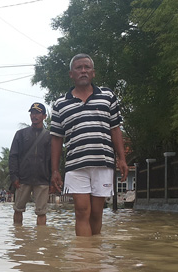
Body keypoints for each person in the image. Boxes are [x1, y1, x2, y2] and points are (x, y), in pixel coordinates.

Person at [50, 53, 128, 236]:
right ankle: (84, 259)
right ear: (71, 74)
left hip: (103, 161)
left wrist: (122, 159)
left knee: (96, 213)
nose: (83, 71)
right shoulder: (60, 104)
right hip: (76, 165)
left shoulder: (108, 96)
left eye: (87, 67)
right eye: (78, 68)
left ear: (93, 72)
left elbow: (116, 129)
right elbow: (56, 139)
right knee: (81, 211)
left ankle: (95, 254)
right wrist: (55, 170)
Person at [9, 102, 51, 226]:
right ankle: (18, 235)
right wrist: (14, 177)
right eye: (32, 113)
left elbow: (53, 159)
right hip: (22, 179)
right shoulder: (20, 134)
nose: (34, 115)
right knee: (18, 209)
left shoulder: (49, 136)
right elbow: (13, 156)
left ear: (44, 116)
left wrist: (52, 179)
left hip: (42, 179)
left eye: (38, 113)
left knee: (42, 212)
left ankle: (40, 239)